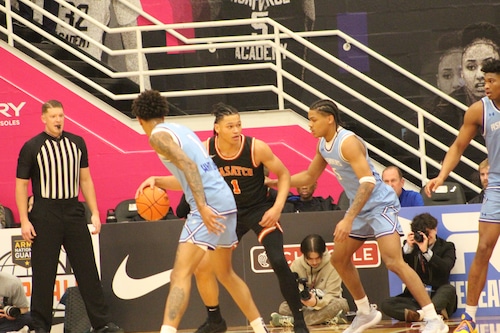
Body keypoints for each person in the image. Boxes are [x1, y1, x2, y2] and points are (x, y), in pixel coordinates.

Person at [268, 99, 448, 333]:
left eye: (313, 119)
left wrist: (349, 218)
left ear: (329, 118)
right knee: (339, 259)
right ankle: (365, 312)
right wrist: (279, 181)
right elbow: (310, 176)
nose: (310, 125)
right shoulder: (323, 144)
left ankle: (434, 319)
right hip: (360, 207)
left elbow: (368, 182)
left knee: (393, 261)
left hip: (380, 203)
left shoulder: (348, 143)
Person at [130, 90, 269, 333]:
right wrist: (158, 180)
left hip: (209, 204)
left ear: (140, 119)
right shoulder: (181, 130)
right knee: (225, 273)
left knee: (180, 274)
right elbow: (193, 174)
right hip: (225, 200)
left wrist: (202, 206)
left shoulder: (157, 138)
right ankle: (260, 328)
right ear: (163, 112)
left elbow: (190, 166)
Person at [191, 102, 308, 333]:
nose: (236, 130)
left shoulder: (256, 148)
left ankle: (299, 321)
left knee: (278, 261)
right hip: (228, 213)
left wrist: (277, 207)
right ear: (217, 128)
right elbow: (194, 182)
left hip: (259, 210)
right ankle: (214, 320)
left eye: (239, 125)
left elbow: (284, 174)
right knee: (203, 265)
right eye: (230, 126)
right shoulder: (205, 149)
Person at [15, 100, 123, 333]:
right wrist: (24, 220)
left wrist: (94, 212)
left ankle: (101, 323)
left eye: (61, 115)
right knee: (44, 273)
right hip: (44, 213)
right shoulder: (31, 146)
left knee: (88, 271)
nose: (58, 120)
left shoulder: (77, 143)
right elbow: (21, 186)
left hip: (73, 210)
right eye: (53, 116)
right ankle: (40, 327)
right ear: (43, 118)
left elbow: (85, 180)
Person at [425, 59, 500, 333]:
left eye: (492, 80)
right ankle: (469, 319)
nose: (486, 85)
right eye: (485, 80)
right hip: (497, 189)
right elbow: (457, 146)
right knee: (483, 250)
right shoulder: (479, 111)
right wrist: (442, 175)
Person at [381, 213, 457, 322]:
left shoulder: (447, 246)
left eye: (428, 233)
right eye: (422, 233)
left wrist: (426, 252)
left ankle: (422, 314)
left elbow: (446, 267)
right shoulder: (411, 247)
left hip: (438, 294)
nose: (426, 237)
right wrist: (408, 247)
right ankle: (430, 314)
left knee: (449, 289)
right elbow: (397, 263)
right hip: (415, 298)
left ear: (435, 229)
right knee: (386, 304)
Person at [270, 234, 349, 326]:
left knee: (341, 304)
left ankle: (293, 321)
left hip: (326, 304)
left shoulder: (333, 264)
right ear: (304, 255)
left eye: (317, 258)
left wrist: (316, 303)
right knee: (284, 307)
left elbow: (333, 294)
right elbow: (292, 293)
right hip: (305, 306)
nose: (314, 262)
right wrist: (303, 300)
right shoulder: (296, 264)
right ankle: (326, 320)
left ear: (323, 253)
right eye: (310, 259)